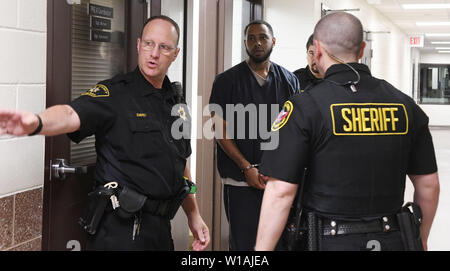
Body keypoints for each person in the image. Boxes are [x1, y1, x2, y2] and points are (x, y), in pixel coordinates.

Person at [0, 15, 209, 251]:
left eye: (164, 47)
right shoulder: (114, 93)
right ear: (139, 44)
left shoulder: (177, 103)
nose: (154, 53)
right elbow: (70, 114)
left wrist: (194, 214)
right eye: (149, 44)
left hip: (160, 229)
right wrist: (37, 123)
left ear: (175, 53)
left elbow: (180, 164)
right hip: (119, 230)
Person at [255, 12, 440, 251]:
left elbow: (280, 191)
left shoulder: (304, 107)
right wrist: (420, 239)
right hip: (394, 239)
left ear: (317, 49)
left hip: (328, 242)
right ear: (362, 50)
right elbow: (429, 185)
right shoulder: (405, 106)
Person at [209, 20, 300, 251]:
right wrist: (246, 168)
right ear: (245, 43)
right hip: (239, 181)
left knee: (279, 244)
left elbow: (296, 132)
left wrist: (281, 170)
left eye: (263, 37)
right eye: (251, 38)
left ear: (273, 41)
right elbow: (220, 131)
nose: (257, 42)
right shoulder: (226, 81)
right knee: (245, 245)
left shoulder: (290, 81)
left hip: (278, 181)